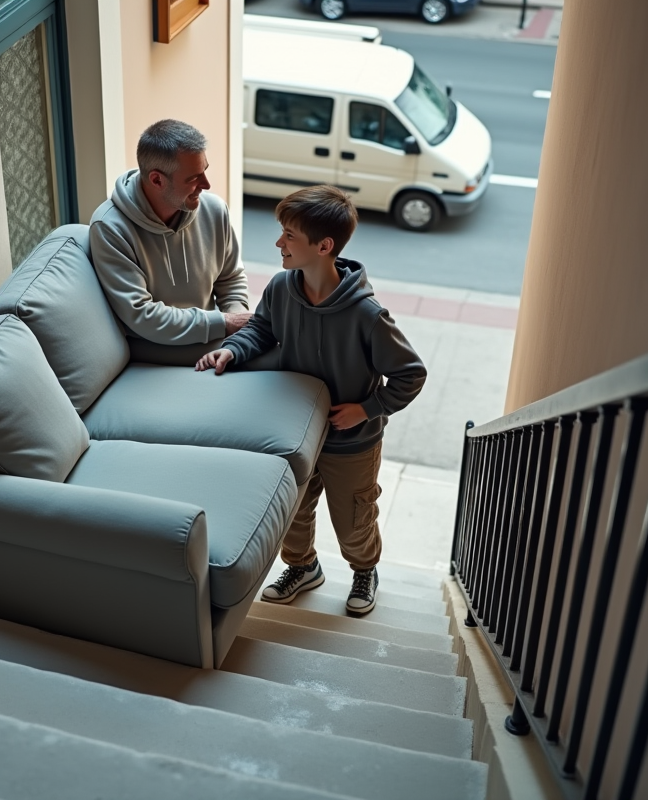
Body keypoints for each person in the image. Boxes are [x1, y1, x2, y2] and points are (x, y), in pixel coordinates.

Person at [195, 185, 427, 615]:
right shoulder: (283, 288)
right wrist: (233, 350)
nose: (279, 243)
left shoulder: (367, 315)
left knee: (354, 519)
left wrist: (367, 409)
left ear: (324, 247)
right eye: (282, 233)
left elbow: (411, 373)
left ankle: (364, 569)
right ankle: (303, 567)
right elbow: (261, 330)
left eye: (289, 236)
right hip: (294, 430)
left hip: (350, 442)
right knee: (292, 512)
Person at [90, 119, 252, 352]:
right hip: (152, 349)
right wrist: (224, 323)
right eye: (193, 178)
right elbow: (143, 316)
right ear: (157, 180)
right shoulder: (110, 228)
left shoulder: (214, 209)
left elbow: (231, 279)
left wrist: (238, 319)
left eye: (204, 170)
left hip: (208, 335)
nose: (206, 185)